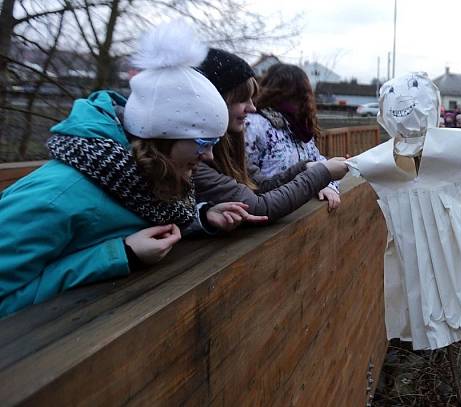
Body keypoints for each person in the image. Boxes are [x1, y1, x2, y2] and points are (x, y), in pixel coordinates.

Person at [0, 22, 266, 317]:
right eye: (204, 141)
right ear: (164, 136)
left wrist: (203, 217)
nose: (209, 155)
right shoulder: (53, 198)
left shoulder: (135, 180)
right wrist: (119, 254)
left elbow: (130, 218)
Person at [194, 49, 349, 219]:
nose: (251, 108)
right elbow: (258, 205)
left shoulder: (299, 127)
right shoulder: (250, 127)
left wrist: (310, 170)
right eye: (242, 98)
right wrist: (321, 175)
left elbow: (260, 183)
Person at [245, 63, 344, 212]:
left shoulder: (300, 126)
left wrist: (327, 185)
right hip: (270, 217)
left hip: (301, 214)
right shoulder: (253, 124)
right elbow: (248, 179)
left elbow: (318, 161)